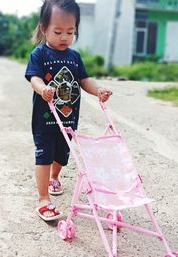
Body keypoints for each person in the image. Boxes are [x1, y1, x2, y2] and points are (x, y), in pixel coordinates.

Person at [25, 0, 112, 221]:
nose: (64, 37)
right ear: (44, 28)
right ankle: (43, 199)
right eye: (58, 31)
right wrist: (42, 88)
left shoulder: (74, 57)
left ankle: (55, 177)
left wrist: (98, 90)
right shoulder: (40, 54)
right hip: (45, 120)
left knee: (62, 155)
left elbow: (84, 80)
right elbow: (34, 77)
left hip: (68, 120)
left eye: (70, 32)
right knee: (44, 155)